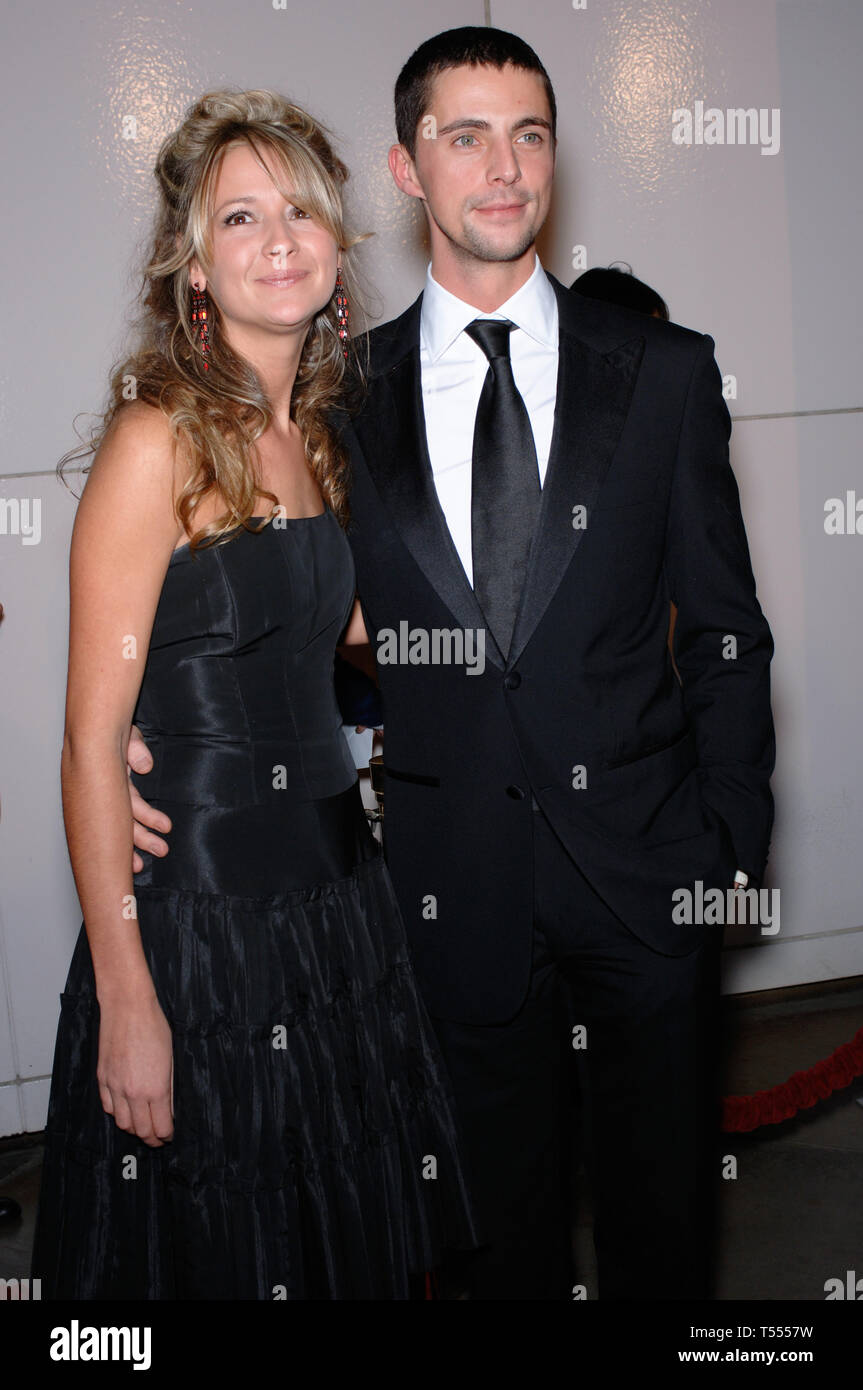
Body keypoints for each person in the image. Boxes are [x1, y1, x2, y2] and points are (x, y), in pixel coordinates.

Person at [129, 28, 776, 1301]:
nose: (503, 166)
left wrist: (728, 848)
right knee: (490, 1247)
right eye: (464, 135)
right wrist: (162, 742)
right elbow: (276, 609)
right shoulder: (331, 401)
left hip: (649, 885)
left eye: (528, 133)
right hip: (444, 900)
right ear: (405, 166)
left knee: (665, 1244)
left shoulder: (661, 372)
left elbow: (724, 632)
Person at [30, 88, 478, 1301]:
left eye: (298, 210)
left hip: (338, 913)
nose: (277, 238)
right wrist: (128, 999)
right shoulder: (154, 442)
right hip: (202, 928)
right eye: (239, 217)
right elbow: (85, 745)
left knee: (337, 1249)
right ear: (192, 270)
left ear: (336, 250)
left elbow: (364, 640)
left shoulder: (317, 441)